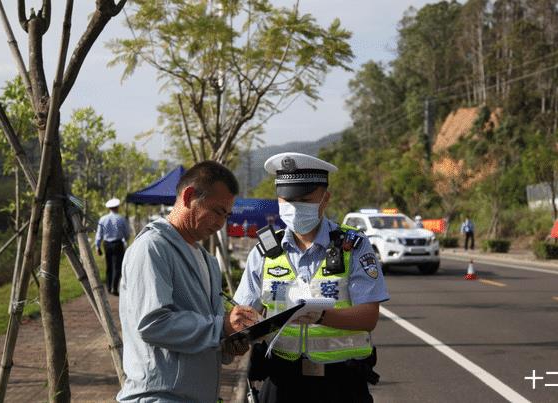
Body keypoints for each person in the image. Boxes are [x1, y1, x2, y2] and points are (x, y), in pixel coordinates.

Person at [234, 152, 389, 403]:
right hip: (281, 382)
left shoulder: (354, 245)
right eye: (287, 201)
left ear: (324, 199)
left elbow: (369, 316)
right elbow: (244, 312)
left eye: (304, 200)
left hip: (341, 384)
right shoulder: (264, 251)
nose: (294, 208)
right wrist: (241, 320)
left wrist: (321, 315)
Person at [117, 161, 260, 402]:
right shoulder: (153, 248)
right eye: (216, 211)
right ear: (189, 196)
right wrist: (220, 327)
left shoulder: (207, 261)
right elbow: (153, 323)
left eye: (226, 215)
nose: (220, 223)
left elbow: (208, 328)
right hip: (160, 396)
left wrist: (228, 342)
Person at [95, 198, 130, 296]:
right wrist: (125, 241)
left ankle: (109, 287)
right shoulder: (121, 218)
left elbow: (99, 234)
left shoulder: (103, 219)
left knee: (109, 265)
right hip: (118, 244)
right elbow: (127, 233)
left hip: (106, 244)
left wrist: (97, 246)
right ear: (117, 207)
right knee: (117, 266)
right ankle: (114, 287)